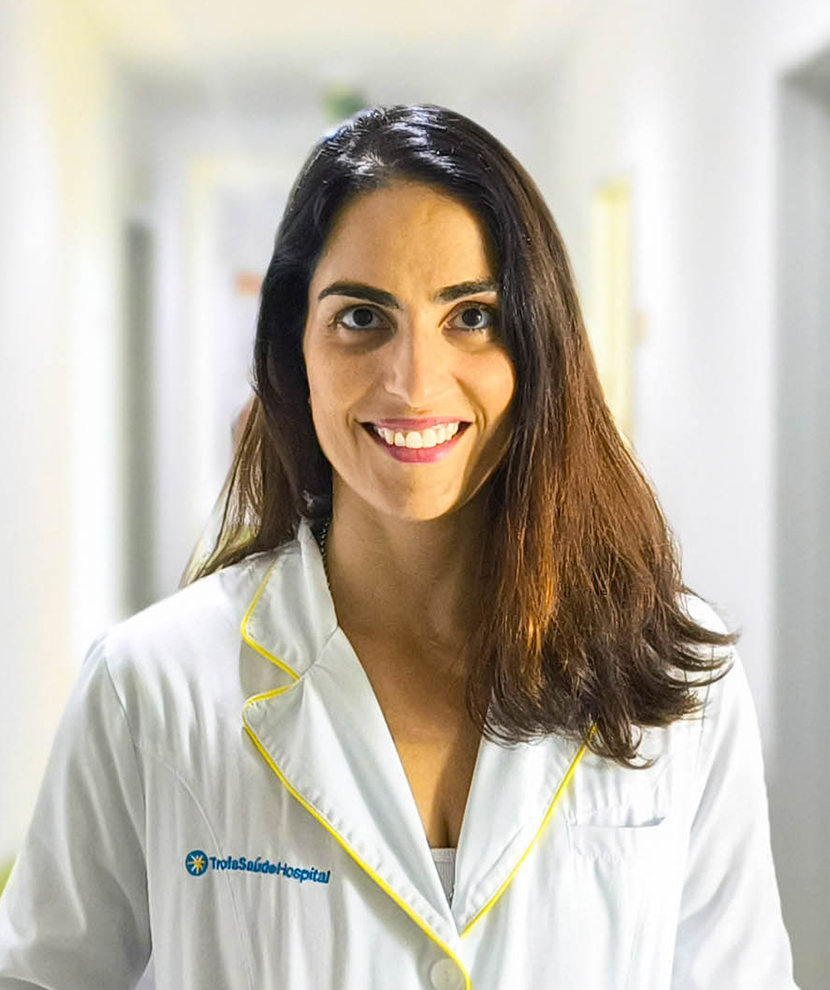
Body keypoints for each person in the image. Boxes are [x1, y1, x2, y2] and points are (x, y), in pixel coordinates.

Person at [0, 104, 798, 989]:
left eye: (472, 316)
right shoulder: (150, 686)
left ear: (541, 349)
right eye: (360, 318)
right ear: (294, 352)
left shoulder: (679, 682)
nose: (414, 383)